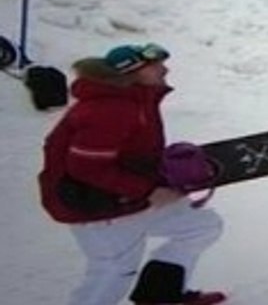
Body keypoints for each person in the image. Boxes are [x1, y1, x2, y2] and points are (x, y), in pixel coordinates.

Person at [38, 43, 226, 305]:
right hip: (96, 207)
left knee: (201, 226)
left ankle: (161, 295)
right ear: (134, 72)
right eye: (156, 65)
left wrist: (167, 171)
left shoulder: (135, 100)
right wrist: (149, 191)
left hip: (126, 198)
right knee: (114, 272)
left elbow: (127, 153)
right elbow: (86, 167)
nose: (165, 69)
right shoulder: (110, 108)